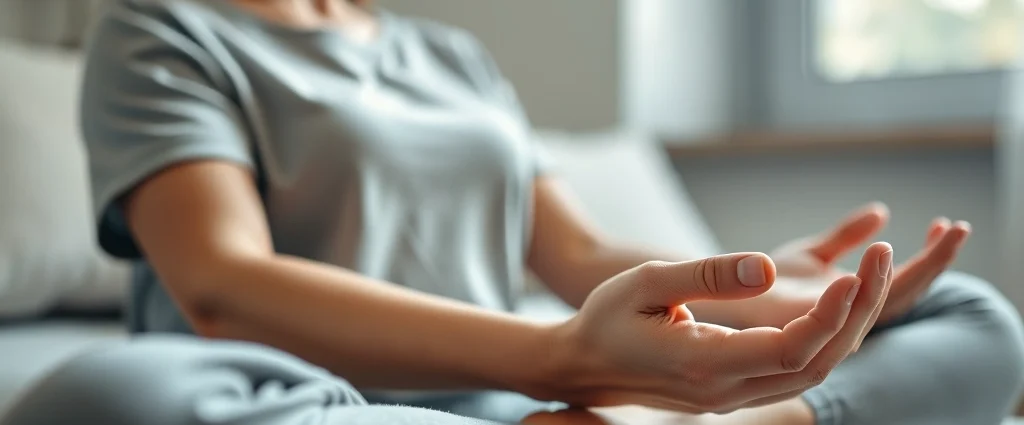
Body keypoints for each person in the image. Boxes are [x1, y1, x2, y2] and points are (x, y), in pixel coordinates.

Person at [3, 0, 1023, 424]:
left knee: (971, 315)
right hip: (322, 399)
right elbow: (224, 286)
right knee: (103, 393)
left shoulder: (448, 56)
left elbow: (575, 251)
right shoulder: (162, 31)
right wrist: (555, 359)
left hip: (506, 403)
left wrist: (771, 289)